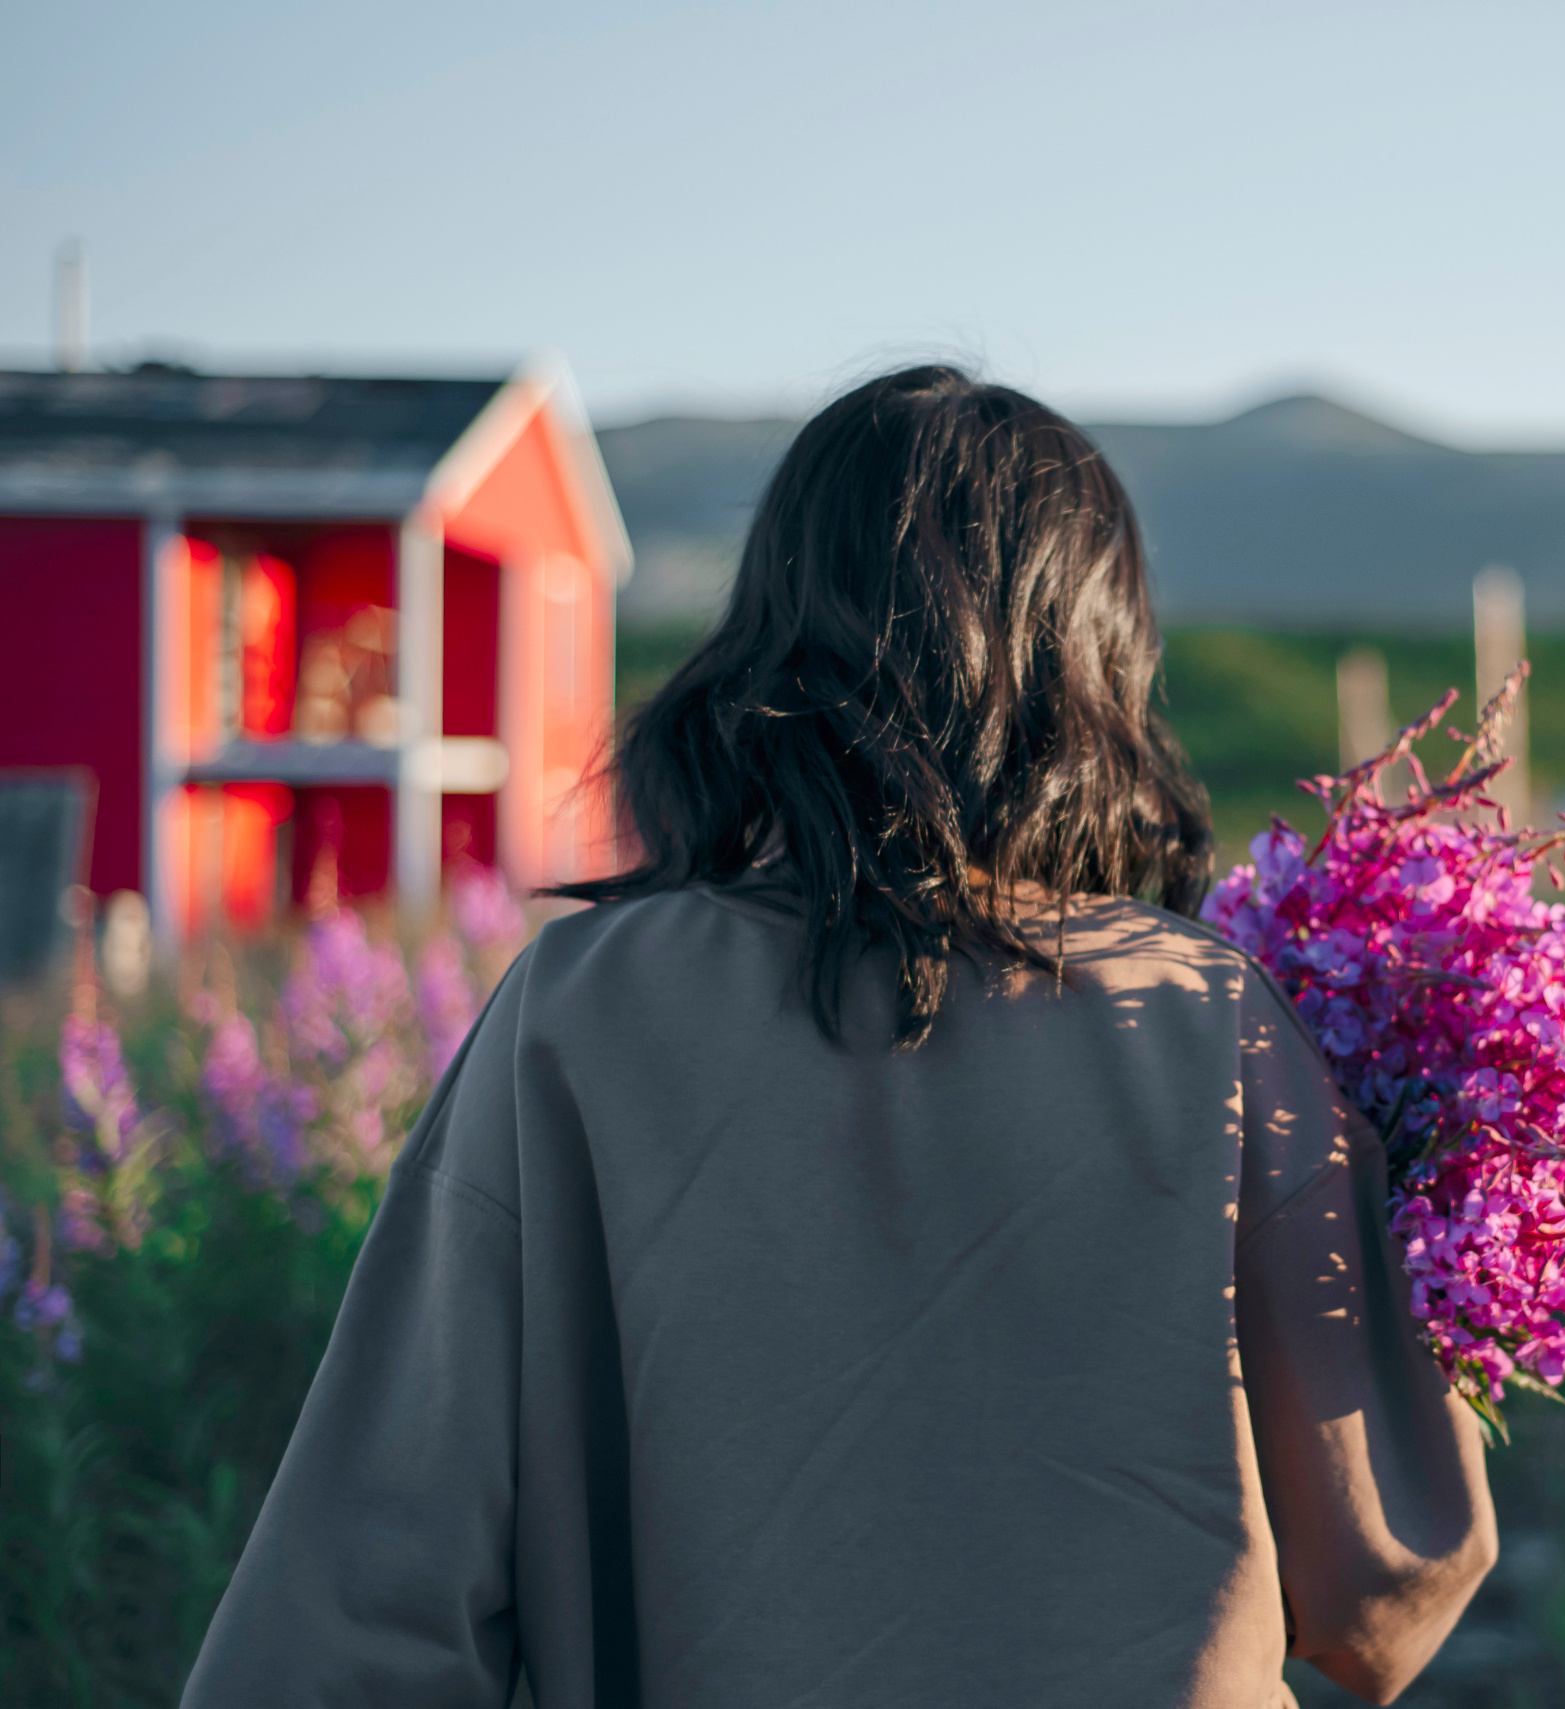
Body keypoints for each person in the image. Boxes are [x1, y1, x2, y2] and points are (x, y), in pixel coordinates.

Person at [180, 366, 1496, 1708]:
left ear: (773, 642)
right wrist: (1440, 1227)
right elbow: (1380, 1591)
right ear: (1099, 665)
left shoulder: (577, 1010)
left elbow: (354, 1606)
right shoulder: (1210, 1019)